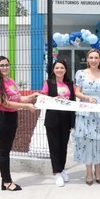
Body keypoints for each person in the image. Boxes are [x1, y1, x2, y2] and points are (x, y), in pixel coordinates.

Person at [0, 56, 39, 191]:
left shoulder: (10, 81)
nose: (5, 68)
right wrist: (27, 106)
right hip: (1, 118)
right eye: (1, 65)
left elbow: (19, 97)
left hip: (12, 117)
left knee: (7, 150)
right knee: (4, 151)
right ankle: (7, 182)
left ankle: (5, 180)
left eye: (6, 65)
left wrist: (32, 96)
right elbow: (5, 103)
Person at [73, 48, 100, 186]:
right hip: (85, 111)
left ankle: (98, 171)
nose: (94, 60)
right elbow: (77, 92)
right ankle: (89, 172)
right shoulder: (80, 74)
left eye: (96, 58)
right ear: (87, 59)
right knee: (87, 141)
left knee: (99, 141)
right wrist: (86, 97)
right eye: (91, 57)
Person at [40, 59, 75, 187]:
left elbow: (74, 99)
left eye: (62, 68)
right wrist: (52, 99)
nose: (59, 70)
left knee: (63, 147)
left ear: (65, 70)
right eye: (57, 68)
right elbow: (42, 98)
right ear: (53, 70)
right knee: (54, 147)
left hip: (66, 119)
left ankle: (62, 169)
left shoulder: (70, 84)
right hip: (53, 119)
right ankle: (56, 173)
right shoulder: (48, 83)